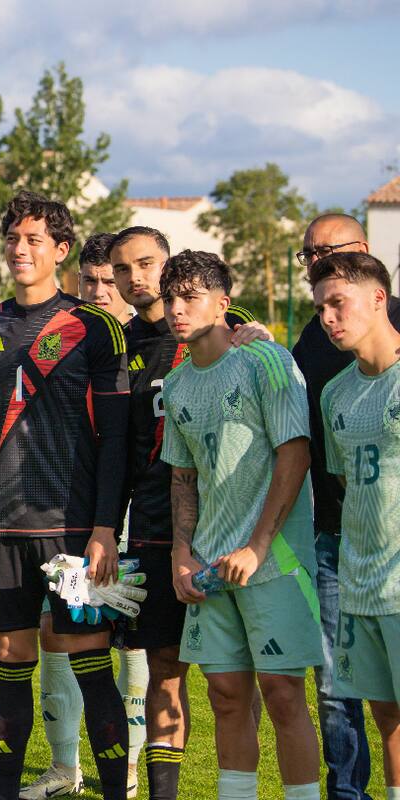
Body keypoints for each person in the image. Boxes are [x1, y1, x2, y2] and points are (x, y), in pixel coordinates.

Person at [0, 191, 130, 800]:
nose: (20, 250)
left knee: (90, 661)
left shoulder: (94, 326)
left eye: (34, 240)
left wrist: (105, 527)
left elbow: (117, 440)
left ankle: (108, 791)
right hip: (2, 528)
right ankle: (3, 792)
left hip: (73, 532)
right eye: (13, 239)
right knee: (10, 655)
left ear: (61, 249)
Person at [91, 227, 262, 800]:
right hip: (162, 530)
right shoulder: (121, 348)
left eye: (145, 264)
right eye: (122, 268)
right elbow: (121, 448)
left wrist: (250, 331)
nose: (134, 277)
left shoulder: (225, 331)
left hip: (233, 528)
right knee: (163, 666)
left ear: (167, 268)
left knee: (241, 678)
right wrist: (110, 528)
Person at [159, 249, 322, 800]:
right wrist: (183, 553)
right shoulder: (177, 383)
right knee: (226, 695)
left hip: (272, 561)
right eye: (170, 298)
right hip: (208, 565)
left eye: (190, 297)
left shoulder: (265, 361)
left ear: (223, 304)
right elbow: (183, 479)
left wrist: (256, 546)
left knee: (281, 693)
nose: (176, 309)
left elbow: (294, 454)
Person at [23, 231, 148, 799]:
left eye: (108, 281)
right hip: (71, 514)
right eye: (89, 280)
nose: (98, 291)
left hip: (131, 516)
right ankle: (64, 764)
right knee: (62, 627)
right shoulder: (62, 339)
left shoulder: (149, 339)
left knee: (130, 636)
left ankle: (127, 761)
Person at [291, 213, 388, 800]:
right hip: (335, 539)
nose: (316, 263)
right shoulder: (311, 340)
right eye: (308, 256)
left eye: (329, 252)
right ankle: (346, 793)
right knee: (335, 685)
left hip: (394, 543)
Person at [314, 251, 400, 800]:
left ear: (378, 298)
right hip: (360, 583)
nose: (327, 316)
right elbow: (349, 486)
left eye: (337, 303)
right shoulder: (335, 394)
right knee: (387, 715)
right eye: (320, 306)